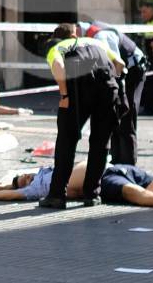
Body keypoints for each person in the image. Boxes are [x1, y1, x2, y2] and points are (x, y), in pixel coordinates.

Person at [40, 23, 125, 209]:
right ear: (74, 34)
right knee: (101, 143)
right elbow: (120, 64)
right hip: (107, 86)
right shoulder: (97, 42)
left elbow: (58, 65)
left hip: (78, 89)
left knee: (67, 141)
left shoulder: (57, 47)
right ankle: (92, 195)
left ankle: (56, 196)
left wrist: (64, 95)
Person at [0, 162, 153, 209]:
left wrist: (6, 182)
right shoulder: (40, 187)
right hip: (100, 180)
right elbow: (13, 196)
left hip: (112, 166)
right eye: (19, 182)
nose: (24, 178)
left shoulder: (44, 170)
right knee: (131, 191)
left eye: (23, 176)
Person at [77, 20, 147, 166]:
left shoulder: (101, 37)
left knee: (126, 116)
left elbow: (117, 66)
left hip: (132, 70)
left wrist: (115, 93)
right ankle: (116, 164)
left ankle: (128, 167)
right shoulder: (88, 37)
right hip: (118, 72)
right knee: (114, 117)